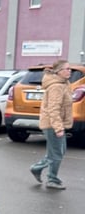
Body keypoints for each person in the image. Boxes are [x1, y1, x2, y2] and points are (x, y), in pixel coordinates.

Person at [29, 59, 73, 190]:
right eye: (67, 69)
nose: (69, 71)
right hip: (53, 125)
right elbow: (53, 109)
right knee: (57, 154)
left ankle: (36, 168)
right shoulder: (56, 86)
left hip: (57, 124)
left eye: (70, 68)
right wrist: (58, 128)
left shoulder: (63, 84)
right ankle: (52, 179)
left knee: (58, 152)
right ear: (59, 72)